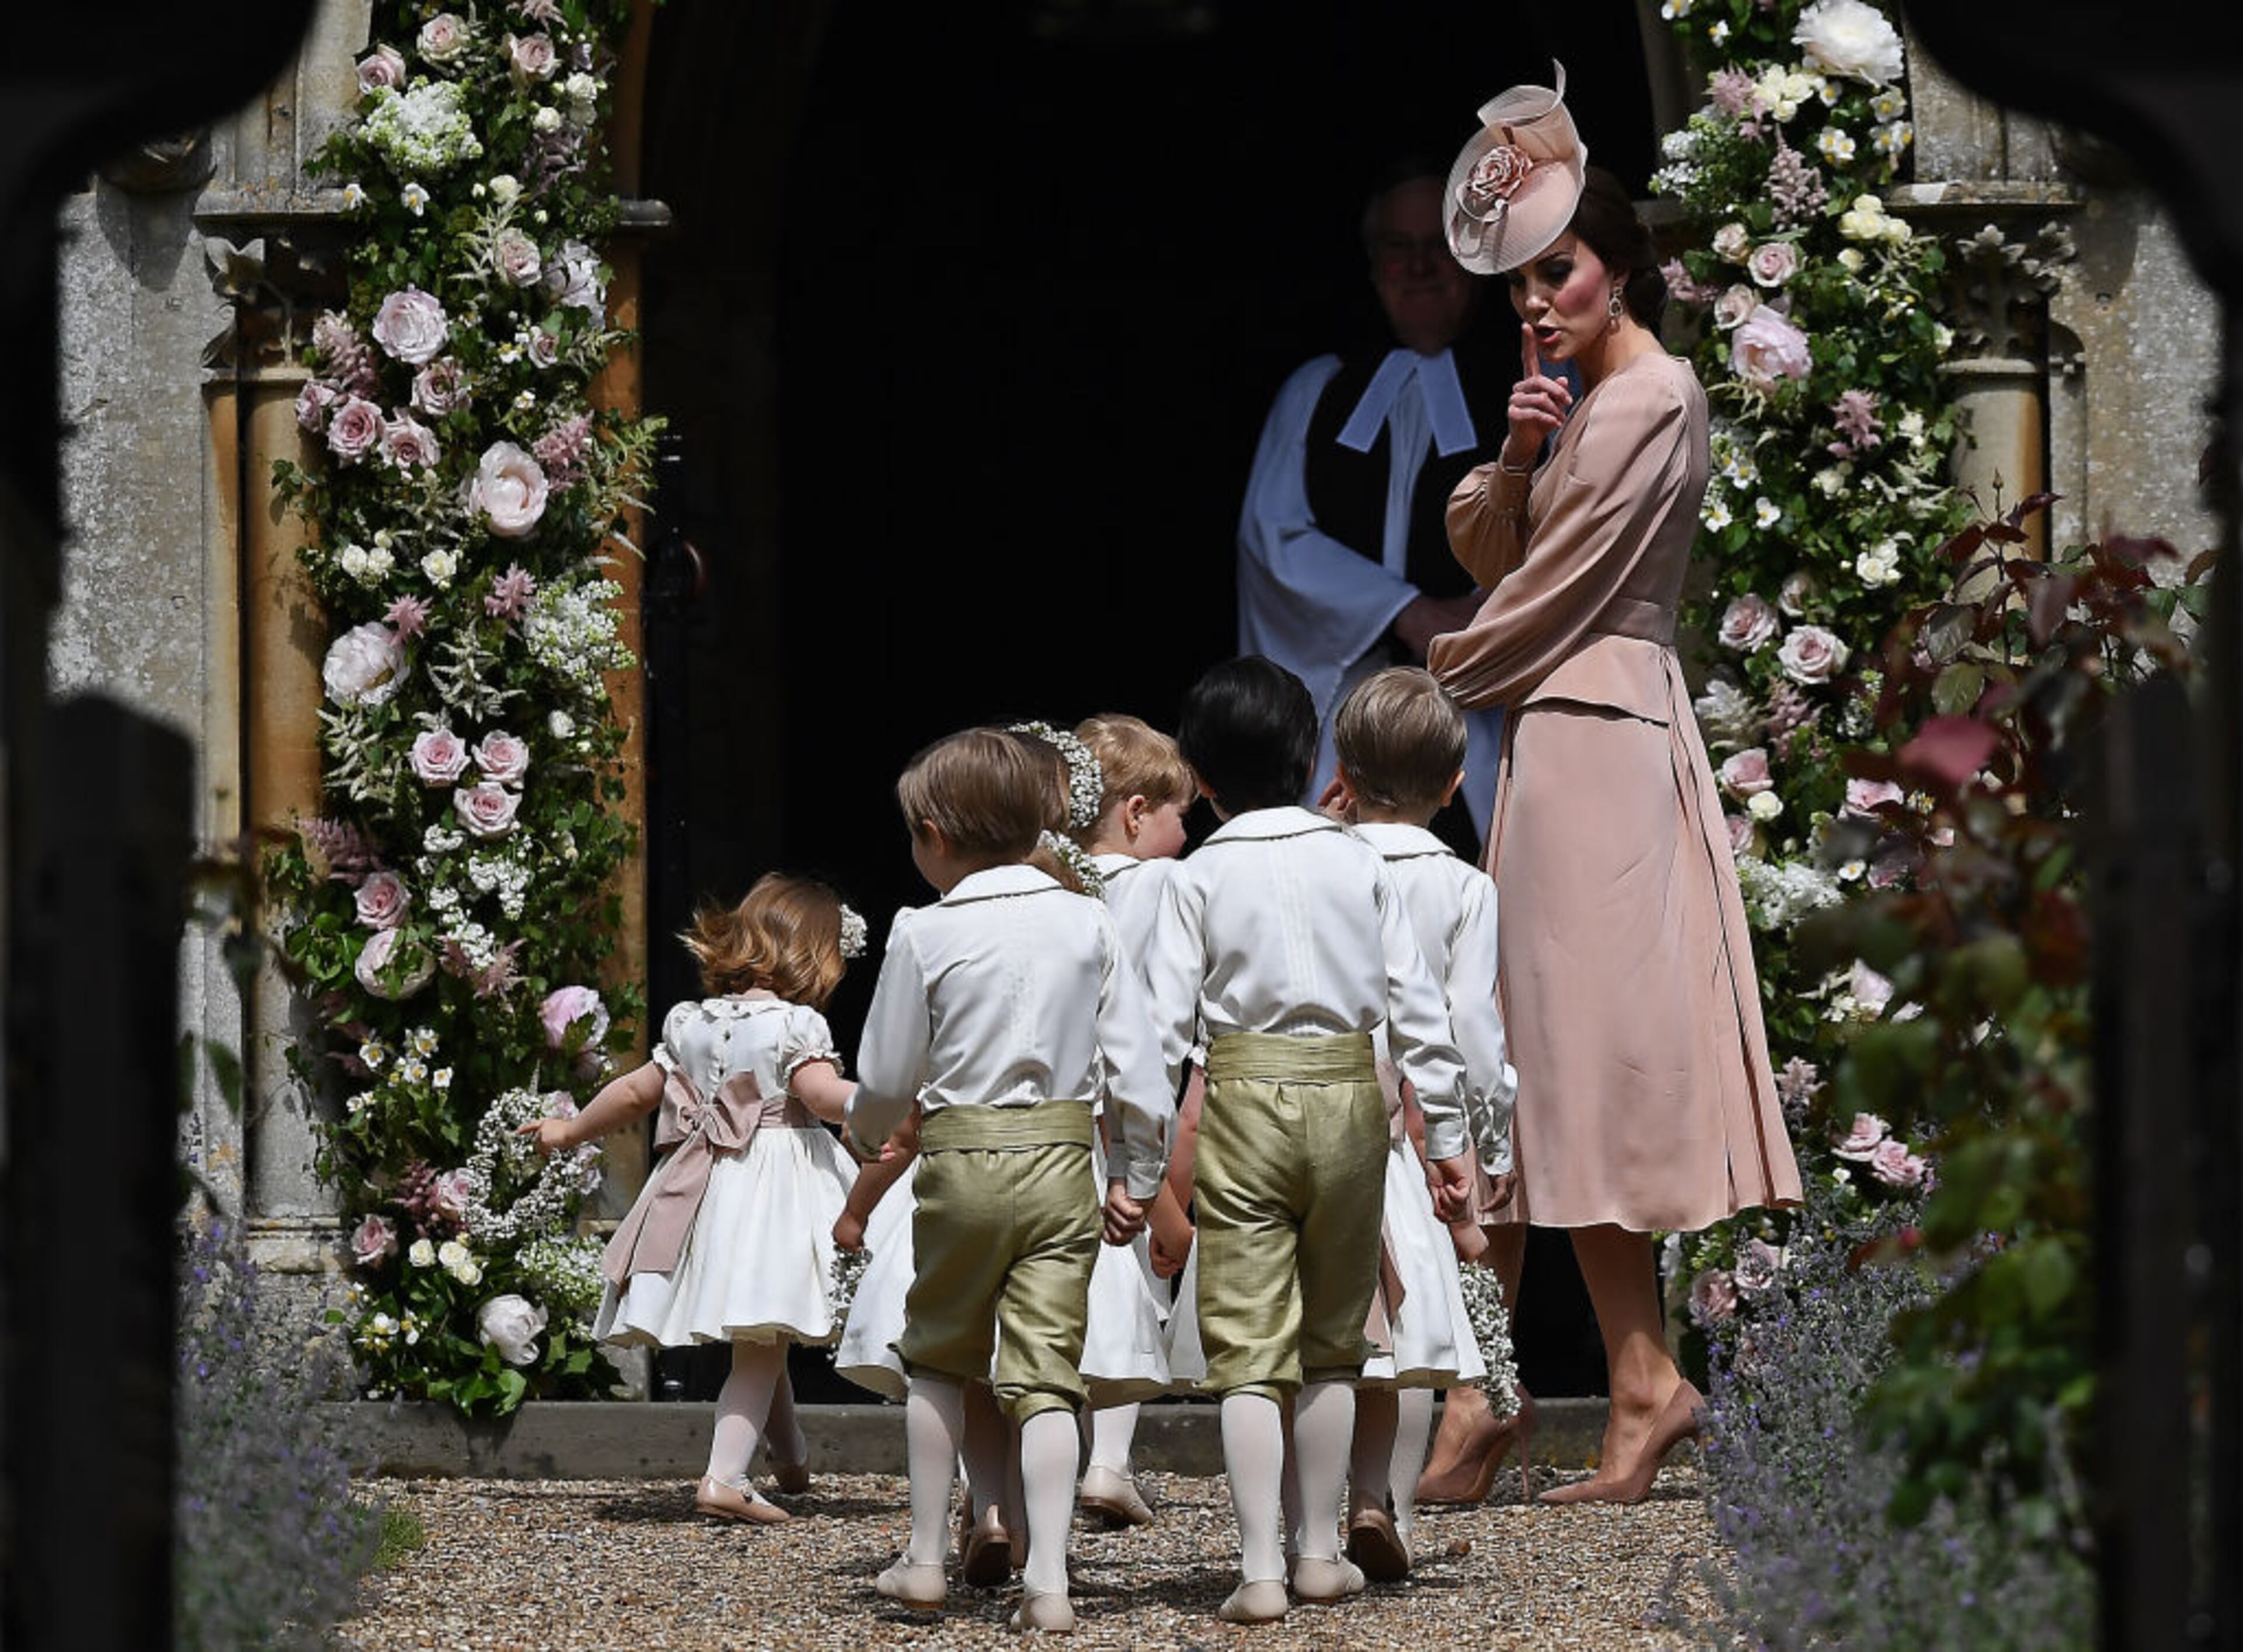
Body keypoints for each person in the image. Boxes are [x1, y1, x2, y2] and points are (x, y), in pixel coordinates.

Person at [1421, 67, 1805, 1505]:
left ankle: (1588, 1386)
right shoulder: (1582, 400)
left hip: (1597, 736)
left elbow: (1554, 589)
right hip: (1562, 742)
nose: (1534, 300)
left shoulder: (1650, 395)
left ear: (1621, 263)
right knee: (1527, 1073)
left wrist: (1419, 693)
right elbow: (1490, 548)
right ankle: (1530, 1386)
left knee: (1565, 1068)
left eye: (1559, 269)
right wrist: (1516, 444)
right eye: (1520, 281)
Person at [1138, 655, 1476, 1624]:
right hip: (1349, 1100)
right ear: (1311, 754)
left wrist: (1137, 1159)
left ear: (1199, 778)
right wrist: (1448, 1136)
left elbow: (1161, 1032)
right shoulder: (1359, 859)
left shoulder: (1196, 876)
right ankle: (1321, 1551)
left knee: (1249, 1346)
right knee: (1335, 1342)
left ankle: (1259, 1565)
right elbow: (1418, 1008)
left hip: (1244, 1089)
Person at [846, 726, 1173, 1633]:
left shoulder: (926, 929)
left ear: (936, 835)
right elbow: (1138, 1074)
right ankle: (1052, 1584)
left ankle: (921, 1560)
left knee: (940, 1360)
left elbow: (884, 1076)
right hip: (1065, 1164)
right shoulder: (1088, 920)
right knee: (1047, 1375)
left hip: (960, 1163)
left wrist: (866, 1136)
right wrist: (1136, 1176)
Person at [519, 873, 866, 1525]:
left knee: (763, 1327)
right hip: (775, 1186)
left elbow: (633, 1092)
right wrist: (882, 1104)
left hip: (706, 1183)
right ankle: (725, 1477)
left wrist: (568, 1129)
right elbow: (821, 1097)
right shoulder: (797, 1024)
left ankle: (790, 1459)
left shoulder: (692, 1020)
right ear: (815, 954)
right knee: (764, 1333)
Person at [1234, 157, 1520, 855]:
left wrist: (1487, 614)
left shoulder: (1525, 387)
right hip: (1350, 714)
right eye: (1400, 246)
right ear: (1373, 264)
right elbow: (1274, 539)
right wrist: (1405, 611)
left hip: (1483, 716)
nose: (1420, 266)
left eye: (1440, 246)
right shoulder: (1319, 391)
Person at [1316, 665, 1522, 1573]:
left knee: (1326, 1335)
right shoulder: (1466, 889)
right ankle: (1385, 1507)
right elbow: (1472, 1029)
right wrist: (1491, 1140)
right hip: (1410, 1141)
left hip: (1314, 1116)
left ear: (1344, 773)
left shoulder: (1320, 866)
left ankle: (1302, 1522)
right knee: (1405, 1345)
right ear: (1455, 784)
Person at [1067, 713, 1201, 1530]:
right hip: (1129, 1104)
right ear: (1136, 810)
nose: (1188, 835)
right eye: (1181, 816)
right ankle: (1108, 1461)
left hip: (1051, 1113)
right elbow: (1160, 1014)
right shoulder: (1158, 886)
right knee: (1140, 1275)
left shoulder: (1044, 880)